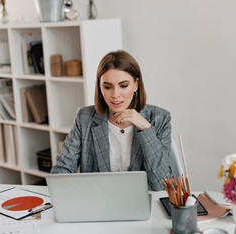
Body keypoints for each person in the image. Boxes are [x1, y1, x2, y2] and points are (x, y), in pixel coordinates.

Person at [51, 50, 172, 191]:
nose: (115, 95)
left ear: (136, 85)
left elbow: (162, 185)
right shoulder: (85, 118)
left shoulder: (160, 118)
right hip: (98, 201)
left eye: (123, 85)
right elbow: (61, 171)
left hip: (143, 203)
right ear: (100, 87)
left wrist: (146, 129)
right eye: (107, 87)